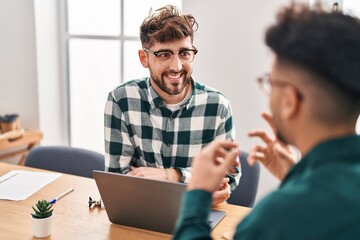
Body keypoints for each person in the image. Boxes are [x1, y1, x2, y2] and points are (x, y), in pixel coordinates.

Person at [173, 2, 360, 239]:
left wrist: (197, 194)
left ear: (290, 100)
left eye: (271, 83)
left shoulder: (278, 217)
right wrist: (296, 176)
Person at [104, 5, 240, 205]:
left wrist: (174, 176)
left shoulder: (217, 105)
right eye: (164, 54)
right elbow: (118, 181)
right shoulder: (121, 100)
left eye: (184, 53)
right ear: (144, 58)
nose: (176, 66)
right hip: (143, 212)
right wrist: (196, 188)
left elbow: (227, 178)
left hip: (198, 218)